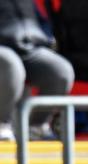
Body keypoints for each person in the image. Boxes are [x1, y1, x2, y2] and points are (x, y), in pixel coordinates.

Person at [0, 0, 74, 140]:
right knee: (13, 67)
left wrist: (47, 38)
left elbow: (40, 20)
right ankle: (2, 124)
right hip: (3, 49)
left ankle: (36, 127)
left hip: (28, 47)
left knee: (61, 71)